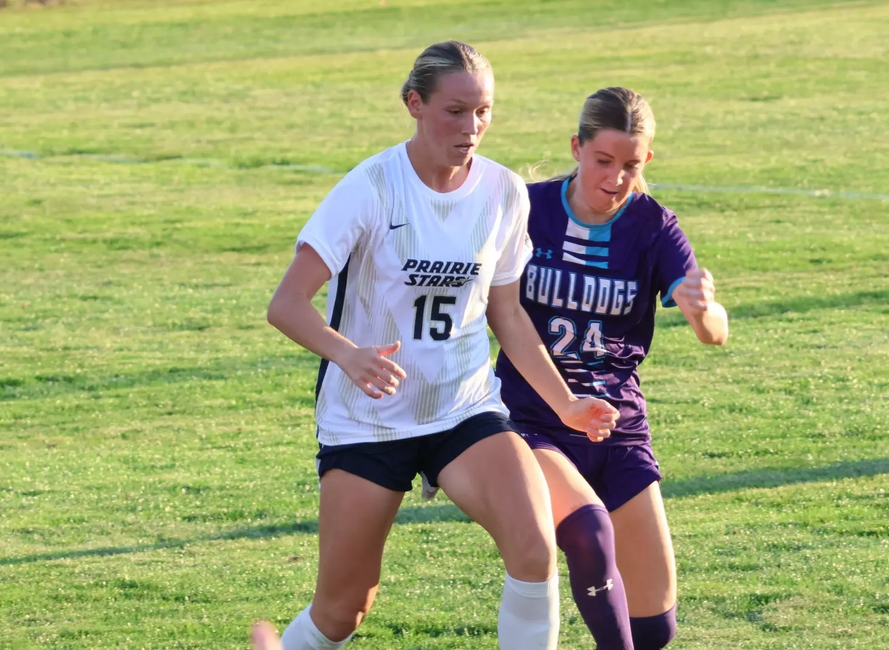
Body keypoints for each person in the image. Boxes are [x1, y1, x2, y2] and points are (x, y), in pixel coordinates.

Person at [266, 42, 619, 650]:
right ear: (414, 104)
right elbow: (286, 304)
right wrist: (348, 354)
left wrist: (564, 405)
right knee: (343, 610)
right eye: (456, 111)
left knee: (534, 549)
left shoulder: (505, 193)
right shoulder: (371, 186)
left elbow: (506, 315)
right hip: (368, 421)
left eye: (483, 112)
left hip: (463, 409)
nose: (471, 128)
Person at [495, 87, 729, 649]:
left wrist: (704, 311)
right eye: (603, 161)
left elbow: (714, 329)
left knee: (655, 626)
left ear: (646, 161)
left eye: (630, 165)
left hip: (617, 426)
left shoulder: (653, 227)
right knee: (589, 536)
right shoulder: (528, 209)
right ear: (576, 148)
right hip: (534, 422)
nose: (616, 177)